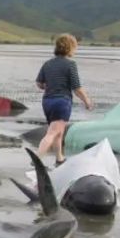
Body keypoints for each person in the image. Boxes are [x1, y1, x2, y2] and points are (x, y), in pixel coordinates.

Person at [36, 33, 93, 166]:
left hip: (47, 101)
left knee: (58, 132)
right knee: (52, 133)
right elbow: (77, 87)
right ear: (70, 48)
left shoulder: (48, 64)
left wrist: (51, 84)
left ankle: (59, 158)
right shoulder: (70, 64)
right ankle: (37, 159)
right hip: (62, 102)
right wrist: (87, 101)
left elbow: (39, 83)